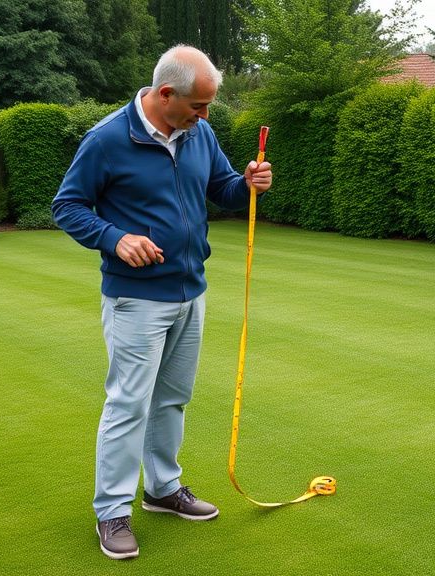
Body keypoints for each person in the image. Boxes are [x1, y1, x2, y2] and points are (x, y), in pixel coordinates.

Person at [51, 45, 272, 560]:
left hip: (190, 290)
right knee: (129, 404)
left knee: (172, 399)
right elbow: (67, 205)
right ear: (165, 94)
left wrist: (248, 183)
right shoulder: (107, 139)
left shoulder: (199, 133)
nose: (205, 116)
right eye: (198, 106)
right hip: (136, 298)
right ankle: (112, 511)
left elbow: (222, 190)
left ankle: (162, 489)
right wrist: (113, 238)